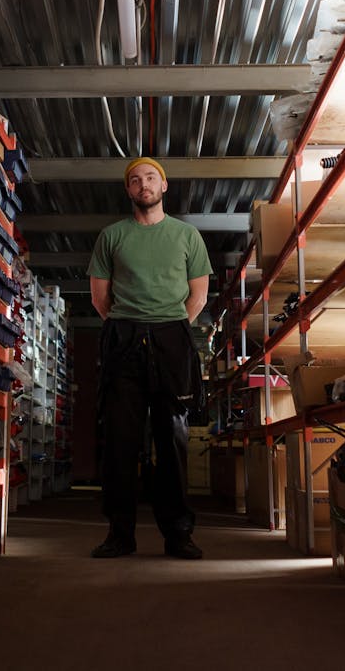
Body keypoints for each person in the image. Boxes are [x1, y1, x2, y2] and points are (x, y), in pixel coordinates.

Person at [86, 157, 212, 559]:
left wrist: (167, 326)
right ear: (128, 190)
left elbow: (199, 295)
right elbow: (100, 298)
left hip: (171, 338)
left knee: (171, 439)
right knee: (121, 440)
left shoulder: (187, 235)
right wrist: (130, 325)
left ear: (164, 186)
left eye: (151, 178)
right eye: (136, 180)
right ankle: (120, 534)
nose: (144, 184)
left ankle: (178, 534)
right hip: (123, 338)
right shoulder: (111, 236)